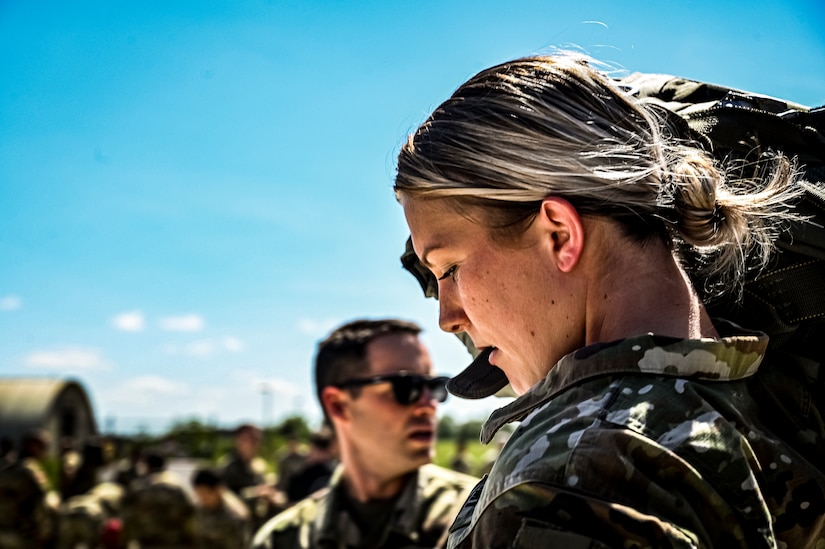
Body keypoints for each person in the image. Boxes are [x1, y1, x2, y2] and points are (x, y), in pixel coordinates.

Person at [394, 53, 825, 548]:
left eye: (449, 268)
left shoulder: (578, 476)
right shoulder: (773, 408)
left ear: (559, 235)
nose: (449, 318)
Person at [251, 318, 477, 548]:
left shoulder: (480, 518)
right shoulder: (283, 540)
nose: (429, 404)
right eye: (406, 386)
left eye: (435, 386)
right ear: (338, 405)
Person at [120, 452, 196, 548]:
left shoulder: (137, 487)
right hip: (175, 543)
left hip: (146, 544)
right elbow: (189, 516)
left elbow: (126, 517)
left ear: (147, 466)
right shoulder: (175, 486)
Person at [191, 468, 251, 549]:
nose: (202, 499)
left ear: (217, 490)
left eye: (205, 494)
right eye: (199, 494)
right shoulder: (198, 510)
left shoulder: (233, 517)